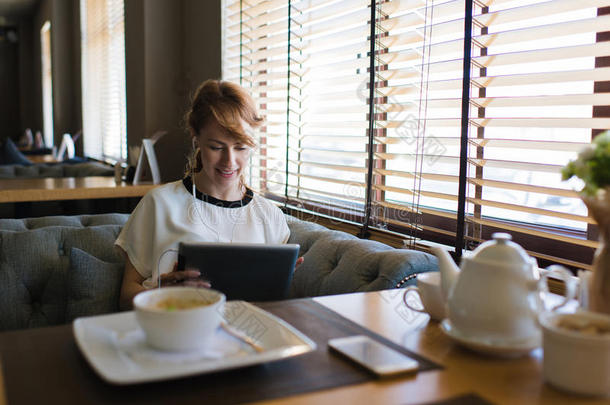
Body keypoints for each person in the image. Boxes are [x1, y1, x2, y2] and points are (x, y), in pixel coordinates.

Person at [115, 79, 298, 310]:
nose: (229, 161)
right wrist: (160, 293)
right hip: (172, 331)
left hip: (242, 337)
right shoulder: (159, 203)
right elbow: (124, 299)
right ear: (196, 138)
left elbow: (272, 307)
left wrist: (278, 283)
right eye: (216, 147)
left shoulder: (269, 216)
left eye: (241, 147)